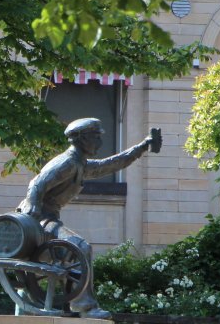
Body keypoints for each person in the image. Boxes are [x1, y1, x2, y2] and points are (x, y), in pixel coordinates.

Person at [16, 117, 160, 319]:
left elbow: (110, 165)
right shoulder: (67, 163)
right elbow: (37, 183)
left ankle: (60, 302)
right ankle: (85, 307)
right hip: (38, 220)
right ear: (81, 139)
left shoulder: (80, 164)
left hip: (48, 217)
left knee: (71, 251)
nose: (100, 143)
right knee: (80, 247)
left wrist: (142, 147)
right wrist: (32, 211)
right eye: (96, 137)